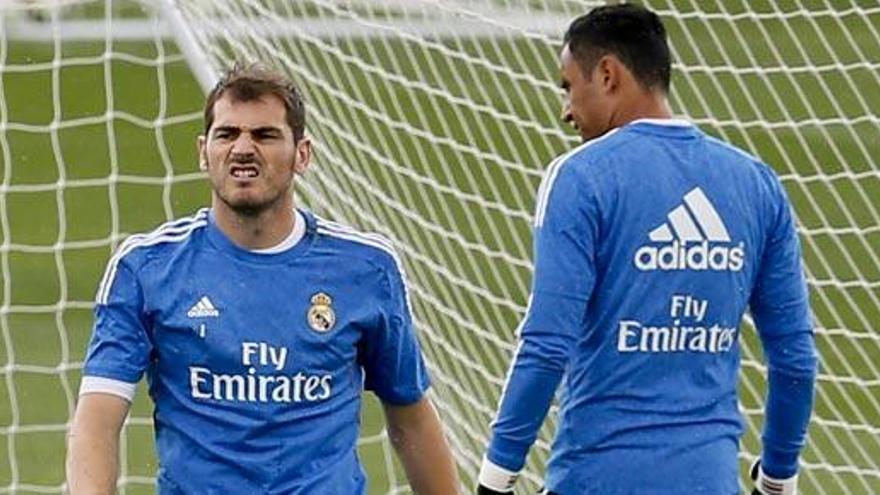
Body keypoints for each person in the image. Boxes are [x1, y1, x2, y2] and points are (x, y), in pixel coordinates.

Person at [66, 63, 460, 494]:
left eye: (265, 135)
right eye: (227, 134)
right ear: (204, 151)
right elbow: (97, 422)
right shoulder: (146, 268)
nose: (242, 149)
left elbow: (411, 416)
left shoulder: (366, 269)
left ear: (302, 154)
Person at [477, 4, 817, 495]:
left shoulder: (581, 178)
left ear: (609, 74)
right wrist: (778, 480)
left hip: (597, 480)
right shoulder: (756, 183)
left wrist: (496, 479)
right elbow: (795, 358)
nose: (566, 111)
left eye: (569, 86)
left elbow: (547, 343)